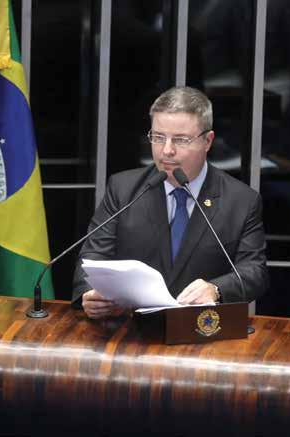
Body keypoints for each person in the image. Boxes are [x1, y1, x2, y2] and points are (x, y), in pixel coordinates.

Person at [72, 86, 269, 319]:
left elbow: (254, 271)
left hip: (201, 332)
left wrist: (216, 289)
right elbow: (92, 259)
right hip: (130, 332)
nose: (166, 151)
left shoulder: (241, 200)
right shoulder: (123, 189)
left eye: (181, 140)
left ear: (208, 141)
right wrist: (91, 294)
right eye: (158, 137)